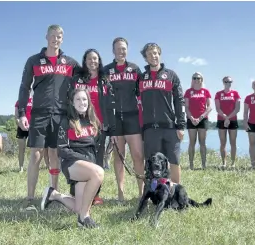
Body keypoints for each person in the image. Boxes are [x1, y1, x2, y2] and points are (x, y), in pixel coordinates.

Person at [17, 24, 80, 211]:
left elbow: (85, 78)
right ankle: (30, 196)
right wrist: (21, 113)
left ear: (62, 38)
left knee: (55, 154)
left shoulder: (70, 63)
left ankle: (54, 194)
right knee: (36, 154)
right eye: (52, 35)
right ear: (46, 37)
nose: (55, 38)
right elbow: (24, 87)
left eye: (59, 36)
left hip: (61, 115)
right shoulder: (34, 60)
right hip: (39, 113)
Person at [41, 88, 103, 229]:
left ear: (89, 102)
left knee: (78, 207)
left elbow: (96, 148)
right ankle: (84, 219)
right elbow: (62, 150)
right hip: (72, 163)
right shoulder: (66, 121)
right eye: (78, 99)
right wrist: (86, 162)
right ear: (72, 103)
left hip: (88, 167)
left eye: (85, 99)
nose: (82, 102)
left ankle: (53, 194)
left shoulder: (93, 121)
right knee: (98, 172)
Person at [69, 48, 116, 205]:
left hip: (99, 127)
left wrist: (109, 125)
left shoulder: (105, 80)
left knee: (97, 160)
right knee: (81, 160)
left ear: (99, 61)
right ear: (85, 61)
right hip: (80, 126)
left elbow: (110, 106)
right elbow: (71, 99)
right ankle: (76, 193)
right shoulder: (77, 79)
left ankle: (95, 194)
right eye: (89, 59)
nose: (92, 61)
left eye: (95, 58)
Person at [137, 43, 185, 184]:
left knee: (174, 161)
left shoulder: (171, 75)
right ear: (145, 58)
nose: (154, 56)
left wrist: (181, 125)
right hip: (150, 129)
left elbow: (180, 101)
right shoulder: (141, 78)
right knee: (152, 163)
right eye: (150, 54)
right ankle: (155, 192)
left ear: (160, 54)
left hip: (170, 127)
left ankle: (175, 192)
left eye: (156, 53)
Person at [103, 37, 144, 202]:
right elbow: (102, 97)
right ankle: (120, 193)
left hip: (132, 117)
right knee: (119, 157)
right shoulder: (106, 70)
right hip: (115, 119)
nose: (121, 51)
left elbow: (142, 92)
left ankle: (142, 192)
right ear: (113, 51)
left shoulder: (135, 69)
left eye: (124, 48)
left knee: (138, 155)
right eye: (118, 48)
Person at [14, 94, 49, 172]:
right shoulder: (19, 101)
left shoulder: (36, 100)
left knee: (40, 148)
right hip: (22, 127)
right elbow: (16, 116)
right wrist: (20, 125)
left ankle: (45, 166)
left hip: (34, 127)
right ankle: (21, 168)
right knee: (21, 149)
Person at [184, 72, 212, 170]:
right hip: (191, 119)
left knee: (202, 143)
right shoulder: (188, 92)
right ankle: (191, 165)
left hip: (203, 120)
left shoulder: (206, 91)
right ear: (192, 79)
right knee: (192, 142)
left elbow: (209, 107)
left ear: (201, 80)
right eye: (194, 78)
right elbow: (186, 107)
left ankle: (203, 165)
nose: (196, 80)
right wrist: (192, 118)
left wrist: (200, 117)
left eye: (198, 78)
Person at [214, 76, 241, 169]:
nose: (227, 83)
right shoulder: (218, 94)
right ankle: (224, 163)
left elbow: (237, 109)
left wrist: (228, 118)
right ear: (223, 82)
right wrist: (225, 117)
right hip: (221, 120)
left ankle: (233, 163)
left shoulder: (235, 93)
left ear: (231, 82)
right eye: (226, 81)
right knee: (223, 143)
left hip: (233, 120)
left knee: (233, 142)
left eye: (229, 81)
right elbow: (217, 108)